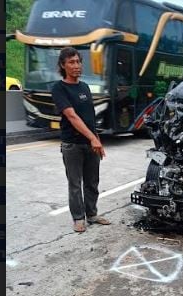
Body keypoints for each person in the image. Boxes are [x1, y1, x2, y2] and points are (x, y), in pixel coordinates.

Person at [51, 47, 110, 232]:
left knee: (92, 182)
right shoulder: (59, 88)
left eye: (78, 61)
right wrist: (93, 138)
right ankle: (78, 218)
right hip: (72, 145)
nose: (76, 66)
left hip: (90, 143)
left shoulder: (84, 87)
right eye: (71, 62)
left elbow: (89, 117)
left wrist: (97, 139)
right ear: (63, 65)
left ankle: (92, 214)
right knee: (75, 184)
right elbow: (72, 116)